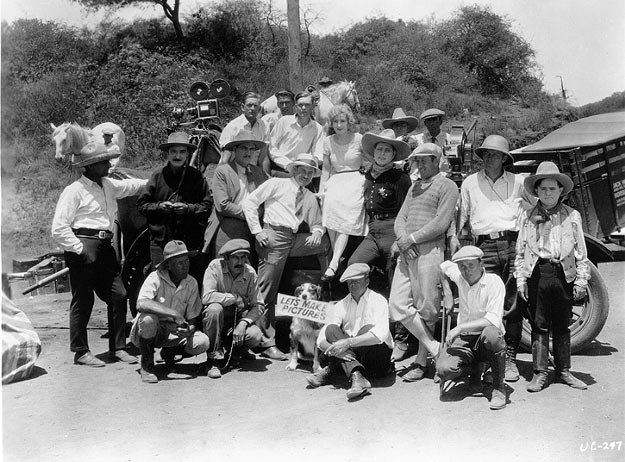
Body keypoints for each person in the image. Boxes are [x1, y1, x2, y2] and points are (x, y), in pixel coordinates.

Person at [51, 142, 147, 367]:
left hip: (106, 246)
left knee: (119, 294)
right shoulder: (74, 191)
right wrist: (80, 249)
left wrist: (157, 178)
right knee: (83, 299)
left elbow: (133, 186)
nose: (109, 164)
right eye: (104, 161)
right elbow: (59, 227)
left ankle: (119, 347)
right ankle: (81, 351)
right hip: (85, 245)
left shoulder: (108, 185)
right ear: (92, 166)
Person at [452, 134, 532, 382]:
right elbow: (462, 215)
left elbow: (534, 209)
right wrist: (455, 237)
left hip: (511, 243)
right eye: (486, 153)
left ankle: (508, 358)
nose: (490, 157)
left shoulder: (519, 182)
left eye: (495, 154)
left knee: (512, 303)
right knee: (484, 300)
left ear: (504, 158)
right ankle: (486, 360)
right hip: (483, 245)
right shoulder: (470, 183)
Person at [242, 153, 331, 360]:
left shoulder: (308, 195)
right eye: (302, 171)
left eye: (310, 173)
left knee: (325, 243)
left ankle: (325, 284)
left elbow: (317, 223)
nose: (306, 175)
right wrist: (257, 231)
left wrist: (317, 233)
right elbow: (250, 202)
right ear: (293, 170)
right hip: (273, 236)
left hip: (295, 238)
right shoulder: (277, 183)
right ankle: (265, 342)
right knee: (267, 289)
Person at [514, 161, 590, 392]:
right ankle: (540, 372)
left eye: (552, 189)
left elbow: (581, 251)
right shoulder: (528, 217)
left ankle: (564, 370)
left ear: (561, 191)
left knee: (562, 324)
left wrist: (581, 280)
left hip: (563, 273)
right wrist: (521, 279)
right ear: (536, 191)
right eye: (543, 189)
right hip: (539, 272)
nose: (547, 193)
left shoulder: (572, 216)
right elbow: (520, 250)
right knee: (539, 324)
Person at [388, 143, 459, 381]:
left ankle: (420, 362)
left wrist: (412, 239)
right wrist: (403, 240)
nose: (419, 165)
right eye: (417, 161)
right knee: (398, 304)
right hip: (407, 251)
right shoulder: (414, 187)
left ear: (436, 160)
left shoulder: (447, 185)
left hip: (430, 251)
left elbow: (441, 222)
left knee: (426, 308)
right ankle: (435, 349)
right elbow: (401, 218)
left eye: (424, 160)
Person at [346, 128, 412, 361]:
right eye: (379, 149)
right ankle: (359, 323)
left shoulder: (400, 178)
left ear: (394, 155)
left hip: (393, 229)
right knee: (354, 267)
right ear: (373, 153)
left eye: (387, 150)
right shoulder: (366, 177)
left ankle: (402, 340)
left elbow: (408, 210)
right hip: (372, 232)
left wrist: (400, 240)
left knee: (397, 286)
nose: (382, 153)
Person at [305, 263, 393, 401]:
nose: (353, 285)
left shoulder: (378, 300)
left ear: (367, 281)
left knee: (367, 329)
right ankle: (357, 376)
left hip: (376, 359)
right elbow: (321, 338)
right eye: (350, 282)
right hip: (349, 356)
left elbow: (380, 335)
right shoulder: (342, 304)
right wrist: (335, 350)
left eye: (357, 281)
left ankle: (332, 369)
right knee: (331, 329)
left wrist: (347, 343)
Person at [436, 246, 508, 410]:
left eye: (471, 265)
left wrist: (460, 328)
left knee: (493, 336)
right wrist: (447, 293)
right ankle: (477, 368)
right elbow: (442, 266)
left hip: (485, 334)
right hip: (466, 338)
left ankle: (498, 388)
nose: (466, 271)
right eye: (462, 266)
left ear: (481, 263)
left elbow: (493, 319)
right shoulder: (460, 275)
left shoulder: (493, 282)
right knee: (443, 369)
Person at [136, 132, 212, 284]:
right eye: (174, 152)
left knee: (191, 281)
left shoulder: (196, 177)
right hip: (161, 241)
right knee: (159, 280)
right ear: (167, 154)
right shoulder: (157, 176)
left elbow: (207, 206)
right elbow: (142, 205)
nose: (178, 156)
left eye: (182, 152)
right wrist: (159, 207)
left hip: (189, 241)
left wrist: (187, 209)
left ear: (187, 154)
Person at [130, 240, 210, 383]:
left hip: (174, 331)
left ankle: (169, 353)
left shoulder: (191, 283)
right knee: (148, 319)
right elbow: (141, 303)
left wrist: (189, 330)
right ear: (168, 265)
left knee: (202, 342)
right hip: (151, 330)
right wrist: (174, 314)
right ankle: (147, 366)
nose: (186, 266)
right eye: (180, 263)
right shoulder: (155, 277)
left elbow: (193, 318)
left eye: (187, 261)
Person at [316, 104, 367, 281]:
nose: (339, 125)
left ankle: (335, 261)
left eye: (342, 121)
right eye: (335, 121)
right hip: (336, 179)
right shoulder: (328, 141)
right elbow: (326, 170)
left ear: (348, 122)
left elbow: (369, 162)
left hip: (355, 179)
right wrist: (322, 190)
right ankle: (337, 257)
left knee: (345, 212)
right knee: (328, 204)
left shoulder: (359, 139)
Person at [201, 239, 264, 378]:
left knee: (255, 335)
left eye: (243, 257)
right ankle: (213, 360)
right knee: (214, 309)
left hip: (236, 322)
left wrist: (244, 323)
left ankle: (235, 352)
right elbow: (206, 297)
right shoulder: (214, 267)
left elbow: (259, 305)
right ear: (226, 258)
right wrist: (233, 298)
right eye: (235, 257)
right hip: (216, 322)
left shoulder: (250, 273)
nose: (240, 262)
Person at [203, 134, 268, 263]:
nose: (248, 152)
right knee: (226, 266)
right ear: (235, 150)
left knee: (250, 268)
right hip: (229, 223)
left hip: (253, 227)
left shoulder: (258, 172)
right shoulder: (223, 171)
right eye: (244, 148)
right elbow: (223, 205)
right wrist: (249, 215)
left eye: (251, 149)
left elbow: (272, 190)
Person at [269, 92, 325, 178]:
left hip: (303, 170)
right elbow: (272, 147)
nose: (303, 108)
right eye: (300, 105)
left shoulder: (317, 128)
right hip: (280, 168)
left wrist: (313, 161)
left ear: (313, 106)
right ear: (296, 107)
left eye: (307, 105)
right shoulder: (284, 122)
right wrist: (288, 164)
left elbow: (318, 151)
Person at [219, 91, 271, 172]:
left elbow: (263, 158)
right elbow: (225, 159)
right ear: (242, 107)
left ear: (259, 109)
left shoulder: (265, 126)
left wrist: (265, 179)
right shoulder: (232, 127)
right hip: (234, 171)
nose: (252, 109)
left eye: (255, 106)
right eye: (249, 105)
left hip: (254, 171)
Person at [414, 108, 452, 176]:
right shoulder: (418, 139)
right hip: (422, 177)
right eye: (429, 120)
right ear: (425, 123)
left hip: (444, 177)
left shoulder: (450, 139)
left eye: (434, 120)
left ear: (440, 121)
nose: (432, 123)